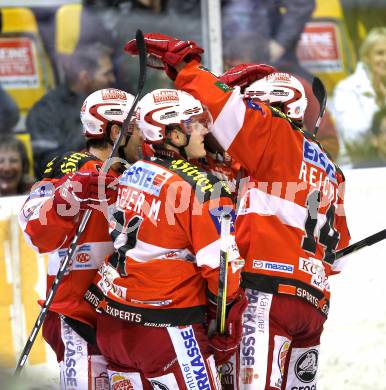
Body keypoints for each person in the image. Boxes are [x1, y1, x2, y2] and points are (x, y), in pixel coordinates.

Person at [125, 33, 351, 389]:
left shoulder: (277, 137)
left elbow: (224, 109)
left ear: (270, 109)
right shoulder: (331, 171)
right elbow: (337, 260)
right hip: (312, 307)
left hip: (267, 295)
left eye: (254, 103)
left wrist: (186, 69)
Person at [84, 88, 246, 389]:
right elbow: (223, 272)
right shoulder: (201, 186)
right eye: (193, 124)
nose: (203, 131)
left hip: (112, 323)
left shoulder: (132, 172)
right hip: (165, 327)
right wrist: (223, 325)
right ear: (172, 135)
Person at [19, 88, 141, 390]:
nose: (145, 137)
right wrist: (67, 194)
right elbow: (35, 232)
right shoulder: (67, 169)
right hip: (79, 319)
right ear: (116, 131)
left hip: (128, 320)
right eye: (137, 128)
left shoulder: (142, 174)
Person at [26, 43, 117, 178]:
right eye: (106, 73)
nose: (112, 79)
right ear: (85, 77)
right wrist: (90, 131)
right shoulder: (46, 110)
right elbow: (45, 164)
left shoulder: (112, 106)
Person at [332, 27, 386, 156]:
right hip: (358, 163)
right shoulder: (347, 88)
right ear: (366, 57)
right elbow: (353, 137)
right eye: (380, 53)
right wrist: (378, 103)